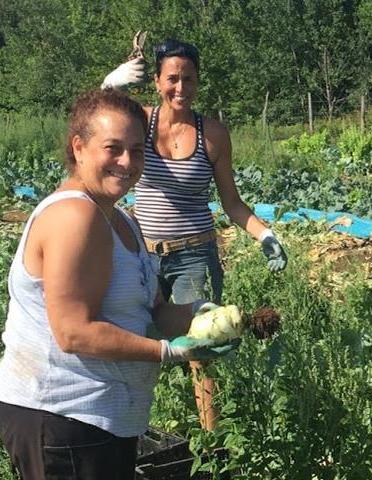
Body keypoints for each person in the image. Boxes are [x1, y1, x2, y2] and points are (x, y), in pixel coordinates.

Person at [0, 89, 238, 479]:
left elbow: (153, 310)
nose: (126, 162)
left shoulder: (124, 220)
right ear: (79, 148)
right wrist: (167, 352)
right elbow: (73, 333)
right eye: (113, 148)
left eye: (137, 151)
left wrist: (198, 314)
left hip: (102, 418)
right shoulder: (74, 217)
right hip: (62, 414)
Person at [102, 38, 287, 429]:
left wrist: (265, 235)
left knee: (201, 350)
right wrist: (111, 86)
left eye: (189, 79)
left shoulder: (213, 134)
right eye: (172, 78)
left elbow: (232, 204)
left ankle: (212, 440)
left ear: (199, 82)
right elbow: (99, 118)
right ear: (156, 81)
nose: (180, 88)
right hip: (142, 256)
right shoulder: (140, 123)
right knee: (130, 339)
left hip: (193, 258)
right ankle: (131, 427)